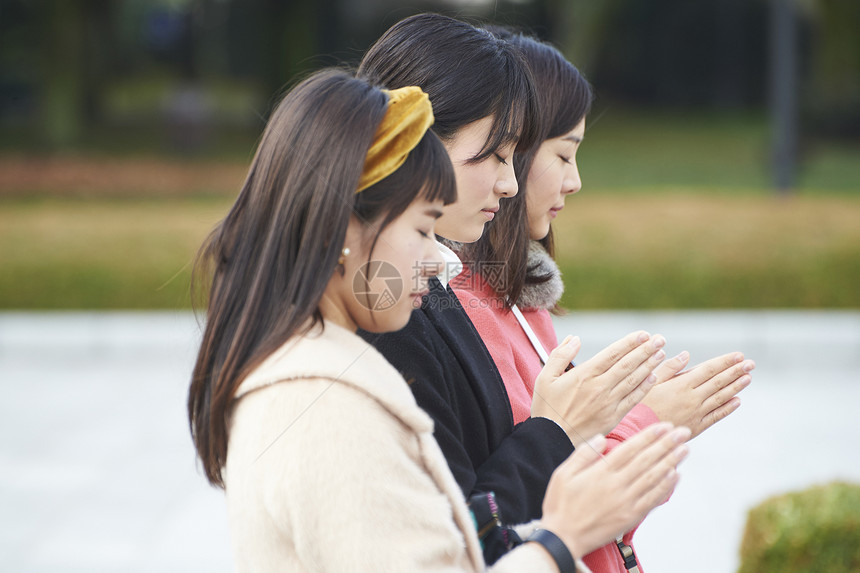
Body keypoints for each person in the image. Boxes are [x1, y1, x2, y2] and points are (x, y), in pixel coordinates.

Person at [186, 68, 691, 572]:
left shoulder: (326, 373)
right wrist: (563, 536)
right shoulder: (328, 406)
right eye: (424, 227)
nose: (440, 260)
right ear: (342, 229)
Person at [356, 14, 678, 561]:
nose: (509, 184)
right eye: (501, 155)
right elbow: (468, 536)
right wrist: (571, 429)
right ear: (420, 144)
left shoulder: (425, 297)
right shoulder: (390, 318)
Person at [451, 30, 756, 571]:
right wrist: (645, 423)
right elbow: (517, 507)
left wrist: (632, 419)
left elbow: (583, 518)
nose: (576, 181)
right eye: (564, 155)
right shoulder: (461, 310)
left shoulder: (520, 300)